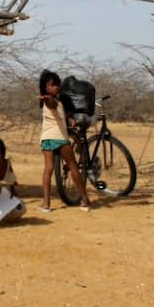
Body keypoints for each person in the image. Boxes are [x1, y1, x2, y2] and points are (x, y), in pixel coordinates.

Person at [38, 69, 91, 212]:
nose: (56, 87)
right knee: (73, 166)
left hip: (46, 139)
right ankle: (84, 199)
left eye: (57, 84)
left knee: (47, 170)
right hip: (59, 138)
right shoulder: (52, 101)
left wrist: (69, 117)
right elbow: (51, 103)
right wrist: (47, 99)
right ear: (45, 87)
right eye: (52, 85)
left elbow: (54, 106)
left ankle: (46, 204)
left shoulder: (54, 102)